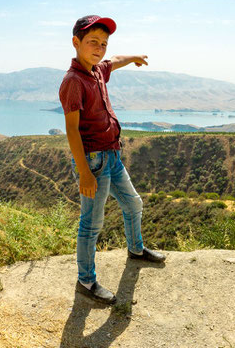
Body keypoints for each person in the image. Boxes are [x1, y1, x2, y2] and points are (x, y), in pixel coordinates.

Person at [59, 15, 166, 305]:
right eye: (92, 42)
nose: (99, 48)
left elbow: (114, 60)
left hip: (113, 156)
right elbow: (71, 130)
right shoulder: (73, 81)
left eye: (103, 43)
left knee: (133, 203)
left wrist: (133, 57)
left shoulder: (95, 71)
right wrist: (84, 172)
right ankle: (86, 280)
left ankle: (136, 249)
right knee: (91, 224)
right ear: (76, 43)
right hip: (93, 161)